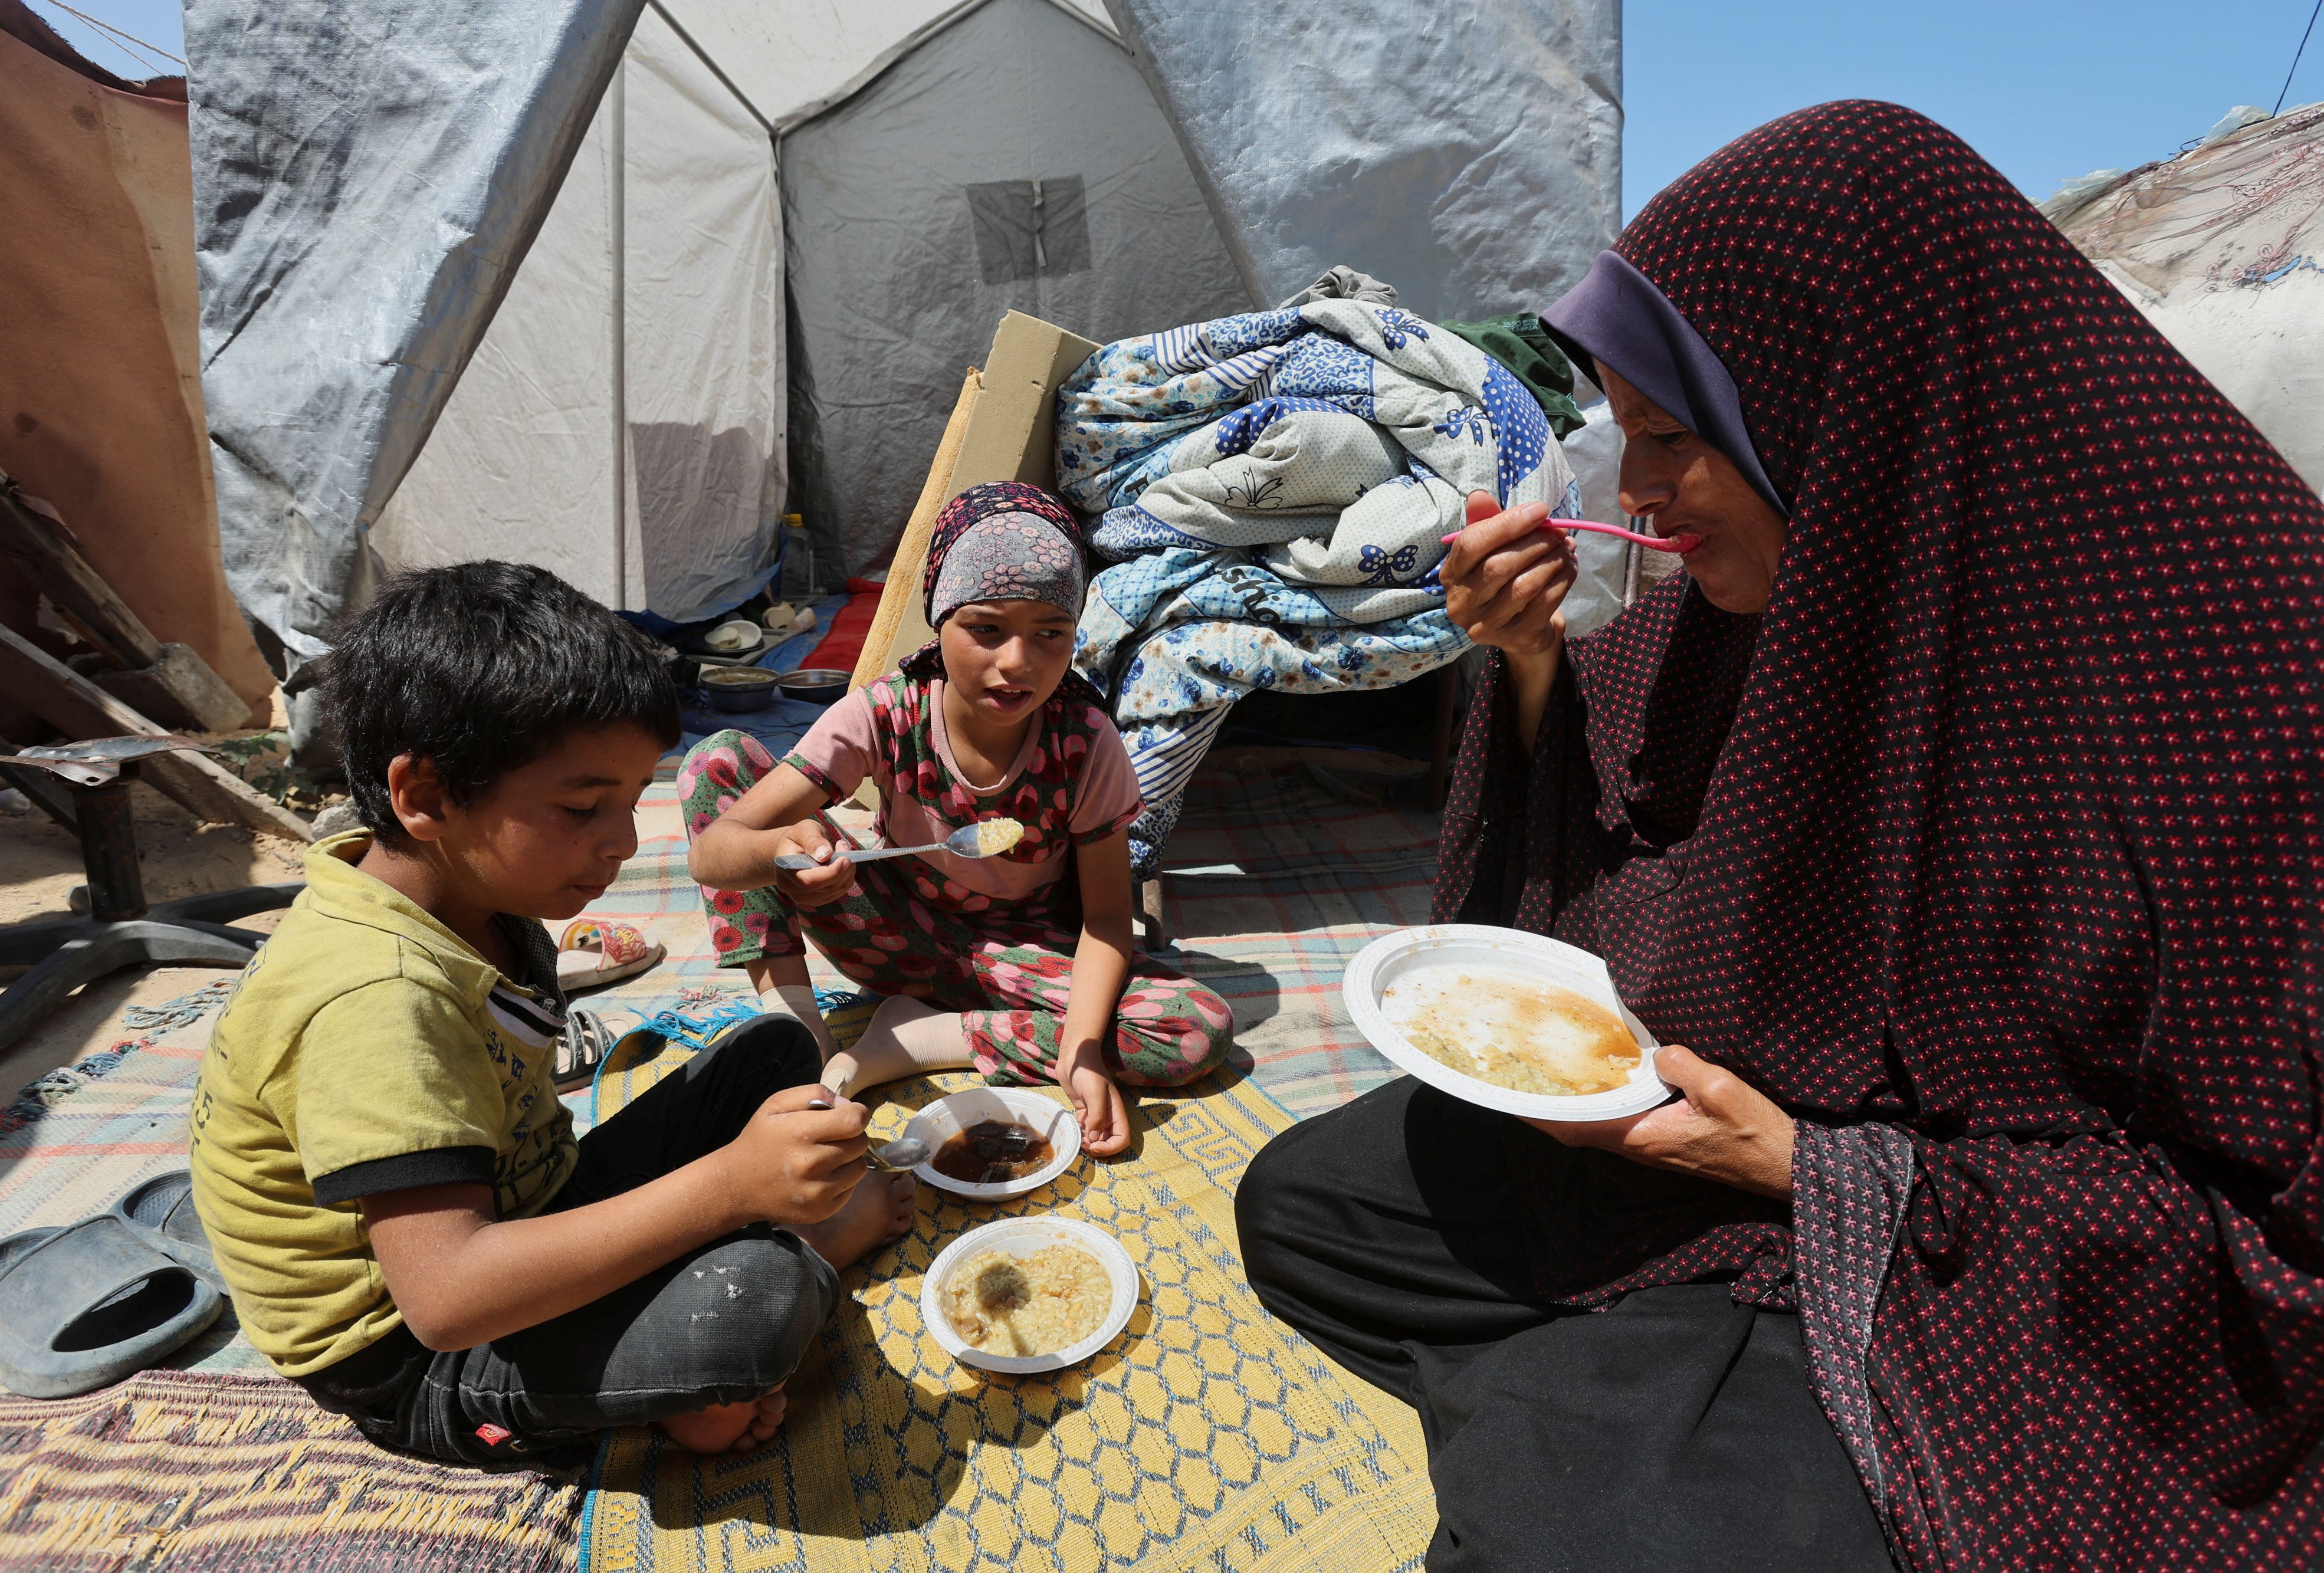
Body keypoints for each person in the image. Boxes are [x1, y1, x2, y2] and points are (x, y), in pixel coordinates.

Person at [1235, 100, 2324, 1571]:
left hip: (1972, 1284)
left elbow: (2274, 1265)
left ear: (1848, 397)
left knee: (1552, 1528)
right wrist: (1539, 659)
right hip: (1708, 1146)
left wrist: (1821, 1179)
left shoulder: (2245, 692)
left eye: (1672, 437)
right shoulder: (1829, 574)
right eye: (1623, 439)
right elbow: (1636, 811)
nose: (1633, 497)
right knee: (1304, 1211)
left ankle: (1604, 1416)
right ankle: (1604, 1407)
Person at [189, 561, 916, 1469]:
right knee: (757, 1304)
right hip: (418, 1356)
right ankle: (735, 1319)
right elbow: (447, 1297)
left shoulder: (467, 895)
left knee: (773, 1052)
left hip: (524, 1196)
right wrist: (730, 1188)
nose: (622, 840)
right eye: (584, 807)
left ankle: (725, 1264)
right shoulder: (374, 998)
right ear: (424, 796)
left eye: (629, 798)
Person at [680, 481, 1233, 1157]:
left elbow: (1107, 920)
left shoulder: (1086, 742)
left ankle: (916, 1040)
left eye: (1050, 634)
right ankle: (801, 1033)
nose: (1016, 663)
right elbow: (715, 855)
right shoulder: (883, 715)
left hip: (1019, 959)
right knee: (717, 760)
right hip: (893, 934)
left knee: (1192, 1029)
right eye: (986, 629)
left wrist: (1082, 1052)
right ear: (939, 623)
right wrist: (782, 852)